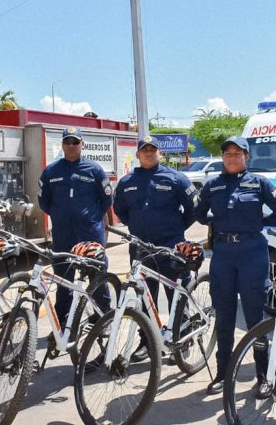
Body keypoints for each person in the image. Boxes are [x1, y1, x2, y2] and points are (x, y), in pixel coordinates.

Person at [194, 136, 276, 397]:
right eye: (228, 154)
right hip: (223, 254)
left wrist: (258, 221)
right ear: (223, 157)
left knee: (255, 319)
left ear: (247, 157)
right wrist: (215, 221)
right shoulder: (213, 185)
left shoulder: (260, 183)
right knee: (224, 317)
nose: (232, 158)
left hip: (252, 253)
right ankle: (223, 374)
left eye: (238, 153)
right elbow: (199, 213)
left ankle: (263, 376)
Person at [113, 135, 198, 361]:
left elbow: (193, 208)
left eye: (153, 150)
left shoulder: (176, 178)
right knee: (145, 297)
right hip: (140, 249)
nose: (149, 153)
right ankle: (148, 342)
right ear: (138, 154)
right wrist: (137, 226)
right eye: (145, 150)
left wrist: (176, 228)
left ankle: (182, 339)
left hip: (171, 246)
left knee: (176, 295)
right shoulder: (126, 181)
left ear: (160, 153)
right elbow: (120, 210)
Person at [38, 127, 113, 323]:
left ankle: (103, 318)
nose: (71, 146)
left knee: (97, 277)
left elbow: (106, 199)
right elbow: (44, 201)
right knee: (63, 280)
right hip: (63, 235)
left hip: (90, 234)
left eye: (75, 142)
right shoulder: (51, 171)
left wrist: (90, 217)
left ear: (82, 144)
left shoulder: (94, 170)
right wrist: (60, 214)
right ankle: (63, 323)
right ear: (62, 145)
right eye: (67, 142)